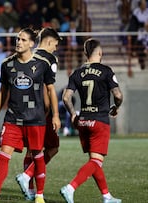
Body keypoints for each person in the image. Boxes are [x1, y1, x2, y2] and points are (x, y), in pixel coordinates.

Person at [0, 27, 57, 203]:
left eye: (23, 40)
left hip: (36, 119)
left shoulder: (42, 64)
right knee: (3, 154)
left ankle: (39, 195)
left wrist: (54, 116)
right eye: (18, 39)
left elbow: (51, 90)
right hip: (13, 118)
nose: (19, 42)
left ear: (32, 43)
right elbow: (2, 91)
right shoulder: (7, 64)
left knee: (37, 156)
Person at [60, 38, 123, 203]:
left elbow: (66, 98)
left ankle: (106, 196)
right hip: (99, 121)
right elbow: (118, 95)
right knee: (96, 161)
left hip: (83, 121)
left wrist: (73, 115)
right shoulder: (106, 71)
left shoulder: (76, 73)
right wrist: (116, 108)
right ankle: (70, 187)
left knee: (94, 162)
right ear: (100, 53)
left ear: (85, 54)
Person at [15, 27, 61, 201]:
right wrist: (50, 111)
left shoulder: (29, 55)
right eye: (55, 45)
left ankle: (30, 189)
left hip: (26, 108)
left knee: (31, 150)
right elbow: (47, 87)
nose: (56, 49)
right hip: (42, 111)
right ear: (49, 42)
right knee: (53, 147)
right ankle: (27, 176)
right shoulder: (50, 59)